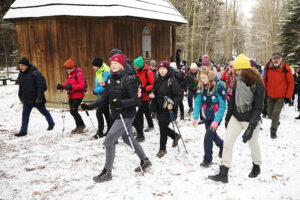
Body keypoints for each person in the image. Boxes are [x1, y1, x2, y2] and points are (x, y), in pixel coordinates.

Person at [81, 53, 152, 183]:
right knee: (127, 138)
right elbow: (104, 97)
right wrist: (89, 105)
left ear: (121, 64)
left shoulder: (128, 79)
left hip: (126, 115)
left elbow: (135, 100)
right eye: (112, 63)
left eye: (116, 63)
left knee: (108, 141)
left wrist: (121, 103)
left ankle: (107, 172)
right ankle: (145, 160)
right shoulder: (110, 79)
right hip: (117, 114)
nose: (113, 66)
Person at [208, 54, 265, 183]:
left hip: (251, 119)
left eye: (239, 70)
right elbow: (232, 100)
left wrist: (250, 128)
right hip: (236, 117)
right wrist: (228, 117)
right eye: (236, 70)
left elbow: (258, 107)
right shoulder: (237, 80)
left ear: (247, 69)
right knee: (227, 142)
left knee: (253, 144)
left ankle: (256, 165)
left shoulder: (257, 83)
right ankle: (224, 171)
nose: (236, 72)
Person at [192, 69, 226, 167]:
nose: (202, 80)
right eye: (201, 78)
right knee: (211, 134)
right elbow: (198, 102)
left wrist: (216, 121)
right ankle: (222, 145)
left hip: (216, 116)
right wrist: (195, 117)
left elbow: (223, 106)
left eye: (204, 78)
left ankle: (207, 159)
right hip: (207, 116)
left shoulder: (218, 86)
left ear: (209, 76)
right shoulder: (200, 86)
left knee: (208, 137)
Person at [149, 61, 182, 158]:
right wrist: (152, 93)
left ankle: (162, 149)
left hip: (168, 108)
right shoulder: (158, 78)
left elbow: (178, 95)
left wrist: (173, 104)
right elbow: (155, 89)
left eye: (164, 69)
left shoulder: (172, 80)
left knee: (163, 129)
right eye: (160, 69)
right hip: (159, 108)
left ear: (167, 69)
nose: (162, 71)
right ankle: (175, 135)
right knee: (162, 127)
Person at [16, 57, 55, 137]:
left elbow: (42, 86)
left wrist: (39, 97)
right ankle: (23, 131)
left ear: (27, 65)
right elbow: (21, 86)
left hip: (37, 99)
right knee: (25, 115)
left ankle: (51, 123)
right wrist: (20, 96)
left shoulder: (35, 73)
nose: (21, 67)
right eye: (20, 65)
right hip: (26, 99)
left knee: (43, 111)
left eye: (23, 65)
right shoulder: (21, 74)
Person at [263, 52, 294, 139]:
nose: (276, 60)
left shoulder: (285, 67)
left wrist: (288, 96)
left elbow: (291, 83)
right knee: (269, 112)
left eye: (278, 58)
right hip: (269, 95)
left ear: (281, 59)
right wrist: (264, 91)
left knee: (276, 113)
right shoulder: (268, 67)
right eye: (274, 58)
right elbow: (264, 80)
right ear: (272, 59)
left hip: (281, 96)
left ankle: (273, 130)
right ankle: (276, 122)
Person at [56, 57, 86, 133]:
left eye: (66, 68)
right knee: (73, 111)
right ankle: (78, 126)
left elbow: (82, 85)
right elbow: (68, 85)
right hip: (71, 95)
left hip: (78, 95)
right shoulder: (69, 74)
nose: (65, 70)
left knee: (73, 111)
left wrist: (71, 87)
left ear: (71, 67)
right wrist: (62, 86)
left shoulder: (79, 73)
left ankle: (81, 125)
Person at [133, 56, 155, 140]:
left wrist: (144, 88)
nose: (134, 66)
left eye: (135, 65)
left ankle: (140, 131)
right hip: (140, 96)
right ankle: (151, 125)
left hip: (146, 96)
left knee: (139, 114)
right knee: (146, 111)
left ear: (139, 65)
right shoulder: (138, 72)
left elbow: (153, 85)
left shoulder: (148, 72)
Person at [91, 56, 112, 139]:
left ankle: (100, 132)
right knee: (106, 112)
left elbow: (105, 85)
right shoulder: (99, 70)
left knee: (99, 112)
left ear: (98, 65)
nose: (93, 68)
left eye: (94, 66)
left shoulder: (106, 71)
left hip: (106, 94)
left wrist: (95, 91)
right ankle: (110, 130)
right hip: (101, 94)